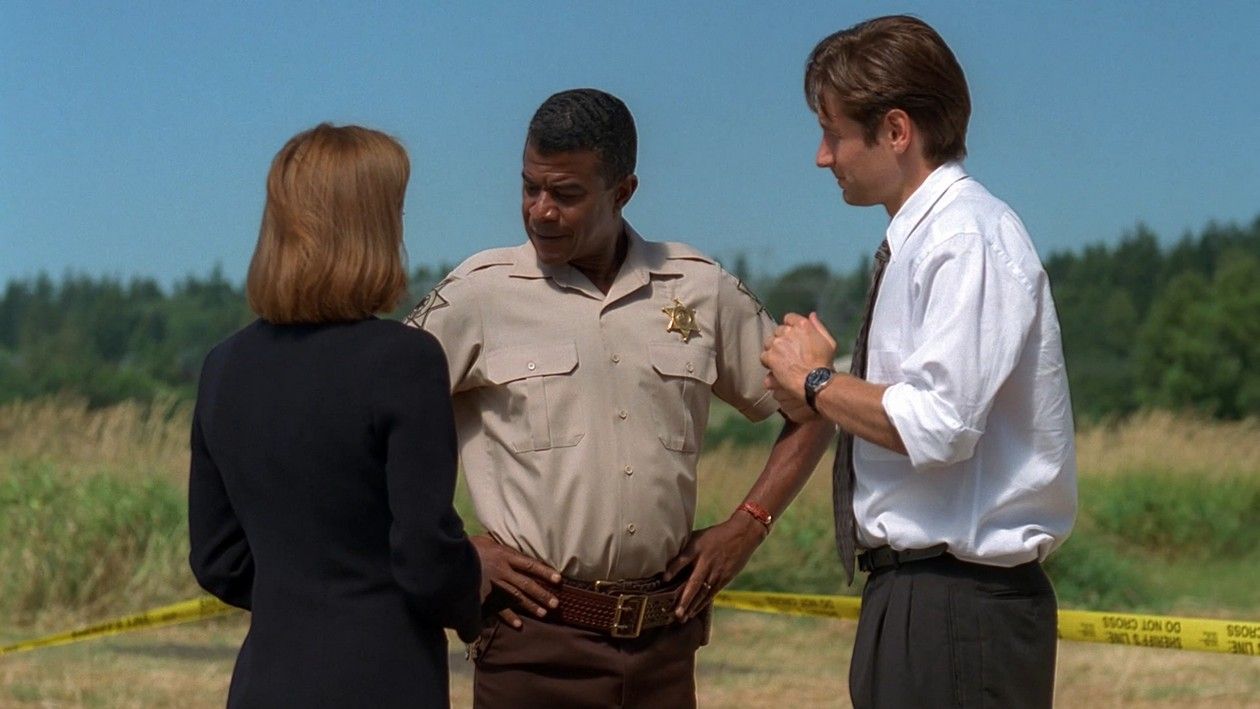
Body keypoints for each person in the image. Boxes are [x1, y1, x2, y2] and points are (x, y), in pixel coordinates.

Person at [406, 88, 832, 708]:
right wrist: (450, 544)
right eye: (530, 188)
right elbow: (369, 427)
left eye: (566, 195)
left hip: (664, 648)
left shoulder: (700, 288)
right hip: (531, 647)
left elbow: (816, 408)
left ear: (623, 191)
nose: (540, 212)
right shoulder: (477, 294)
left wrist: (747, 527)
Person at [761, 16, 1077, 709]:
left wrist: (818, 383)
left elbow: (939, 423)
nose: (822, 155)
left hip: (958, 607)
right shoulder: (930, 240)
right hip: (920, 597)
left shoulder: (966, 237)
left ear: (896, 131)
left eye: (834, 131)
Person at [188, 124, 483, 708]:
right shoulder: (404, 360)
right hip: (383, 676)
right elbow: (424, 553)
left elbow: (216, 559)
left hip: (265, 679)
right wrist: (474, 582)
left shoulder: (222, 367)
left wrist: (299, 600)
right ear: (372, 227)